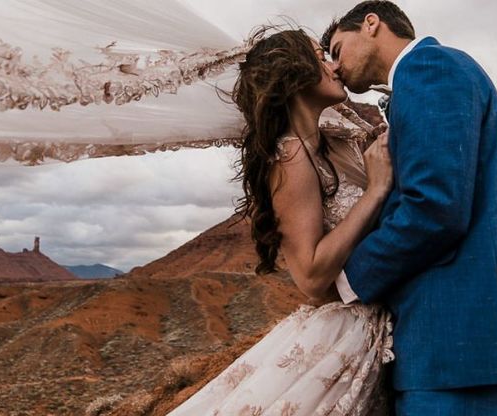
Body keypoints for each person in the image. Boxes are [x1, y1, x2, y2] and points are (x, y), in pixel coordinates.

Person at [321, 1, 497, 415]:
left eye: (337, 50)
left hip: (456, 350)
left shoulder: (429, 68)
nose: (335, 67)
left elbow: (434, 207)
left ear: (371, 23)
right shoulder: (422, 77)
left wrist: (347, 281)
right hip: (455, 350)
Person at [167, 27, 394, 415]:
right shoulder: (290, 156)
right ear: (293, 76)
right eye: (320, 58)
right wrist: (374, 192)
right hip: (345, 334)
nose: (334, 66)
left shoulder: (334, 140)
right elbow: (310, 276)